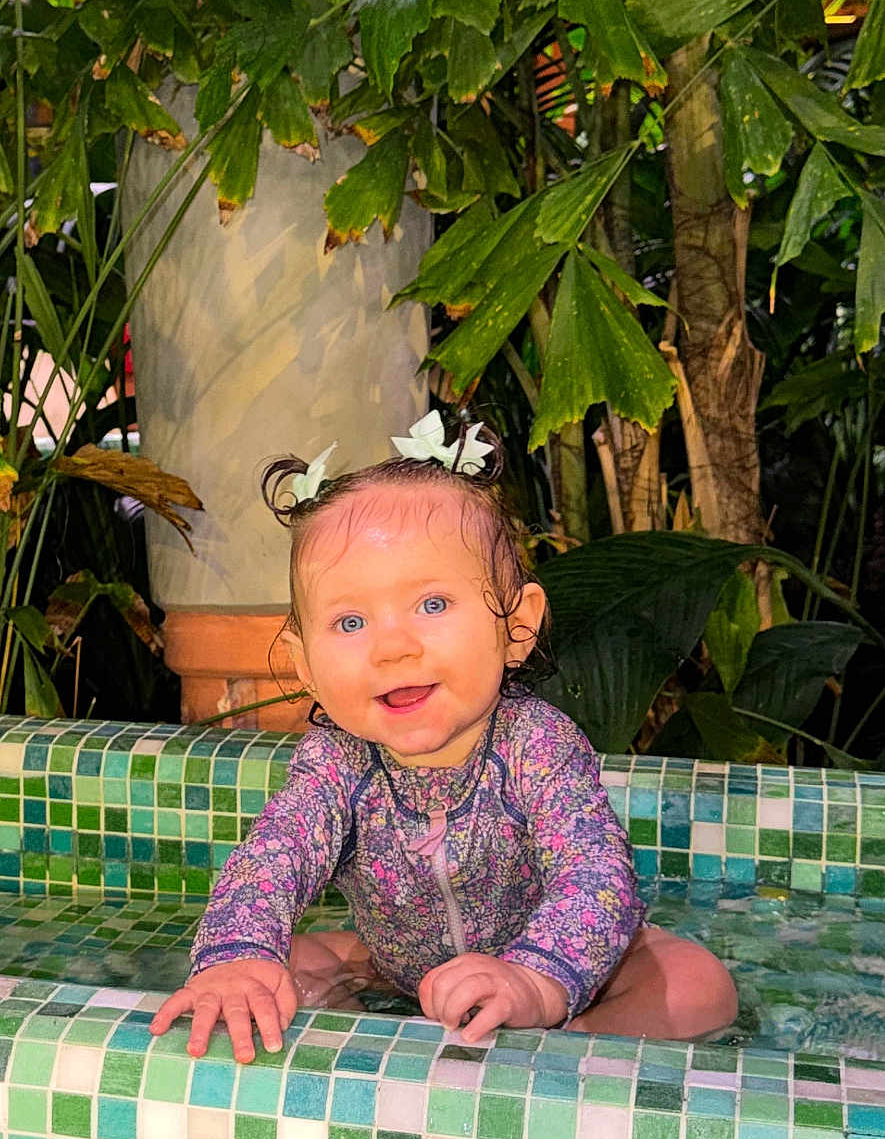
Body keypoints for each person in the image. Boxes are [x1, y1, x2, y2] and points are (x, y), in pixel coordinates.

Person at [149, 411, 737, 1064]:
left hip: (555, 966)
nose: (393, 647)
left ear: (516, 626)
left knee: (696, 984)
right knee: (272, 963)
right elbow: (270, 862)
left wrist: (534, 978)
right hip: (396, 968)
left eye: (432, 605)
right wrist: (236, 958)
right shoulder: (335, 764)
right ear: (304, 666)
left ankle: (555, 1054)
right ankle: (373, 1054)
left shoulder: (534, 744)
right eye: (349, 621)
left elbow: (594, 874)